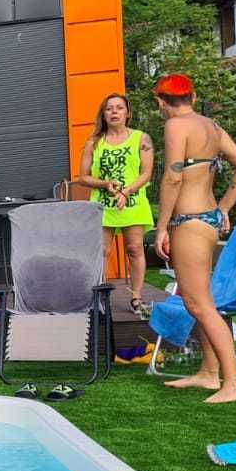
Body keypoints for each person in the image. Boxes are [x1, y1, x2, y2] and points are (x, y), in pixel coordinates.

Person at [152, 73, 236, 404]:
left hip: (189, 221)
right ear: (193, 97)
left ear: (160, 102)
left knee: (199, 304)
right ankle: (209, 373)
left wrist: (162, 227)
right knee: (199, 300)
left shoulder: (175, 126)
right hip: (207, 219)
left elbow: (172, 179)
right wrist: (223, 207)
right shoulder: (211, 127)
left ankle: (234, 382)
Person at [78, 93, 155, 316]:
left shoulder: (141, 139)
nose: (114, 112)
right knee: (101, 251)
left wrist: (126, 191)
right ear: (103, 114)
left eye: (119, 108)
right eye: (109, 108)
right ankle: (99, 296)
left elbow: (146, 173)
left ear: (127, 113)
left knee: (134, 249)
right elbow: (83, 177)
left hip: (133, 203)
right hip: (103, 205)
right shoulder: (94, 142)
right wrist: (104, 184)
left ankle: (136, 297)